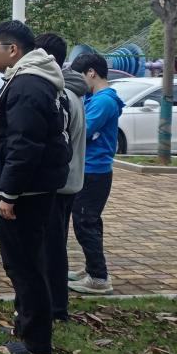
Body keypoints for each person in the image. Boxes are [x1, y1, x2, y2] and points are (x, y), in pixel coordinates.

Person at [0, 20, 71, 354]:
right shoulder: (23, 79)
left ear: (13, 50)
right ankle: (25, 322)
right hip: (23, 190)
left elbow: (24, 145)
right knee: (22, 263)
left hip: (24, 195)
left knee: (26, 265)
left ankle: (36, 343)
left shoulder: (28, 85)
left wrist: (9, 193)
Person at [35, 33, 88, 322]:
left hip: (59, 184)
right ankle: (54, 305)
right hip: (68, 181)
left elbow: (57, 145)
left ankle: (55, 308)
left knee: (52, 249)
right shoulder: (70, 92)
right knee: (53, 246)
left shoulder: (62, 96)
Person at [68, 52, 123, 294]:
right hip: (90, 169)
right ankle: (93, 268)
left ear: (91, 72)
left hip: (94, 171)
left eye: (80, 76)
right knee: (89, 222)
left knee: (85, 223)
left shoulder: (103, 101)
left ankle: (99, 278)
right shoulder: (95, 98)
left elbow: (83, 130)